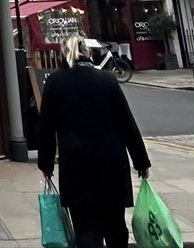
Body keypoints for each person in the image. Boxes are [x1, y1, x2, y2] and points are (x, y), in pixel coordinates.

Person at [37, 33, 150, 248]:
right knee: (116, 225)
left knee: (86, 228)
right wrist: (141, 162)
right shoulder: (107, 79)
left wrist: (46, 164)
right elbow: (127, 124)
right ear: (87, 53)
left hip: (77, 166)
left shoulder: (54, 82)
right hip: (111, 165)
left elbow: (46, 128)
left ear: (64, 54)